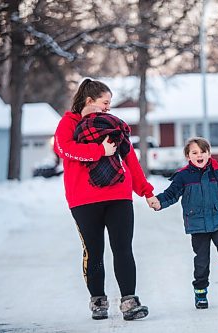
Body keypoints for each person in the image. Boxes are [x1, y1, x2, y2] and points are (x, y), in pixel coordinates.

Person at [54, 78, 157, 320]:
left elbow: (130, 159)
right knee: (94, 251)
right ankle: (98, 301)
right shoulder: (68, 123)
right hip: (83, 199)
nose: (108, 108)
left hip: (118, 195)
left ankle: (129, 301)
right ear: (90, 101)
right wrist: (99, 151)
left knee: (123, 248)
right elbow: (65, 149)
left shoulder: (112, 125)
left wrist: (146, 191)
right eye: (105, 103)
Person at [148, 137, 218, 309]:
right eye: (195, 152)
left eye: (203, 152)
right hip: (197, 225)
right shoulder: (183, 176)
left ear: (209, 154)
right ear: (188, 156)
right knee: (201, 260)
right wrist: (158, 201)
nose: (199, 155)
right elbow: (171, 194)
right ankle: (201, 293)